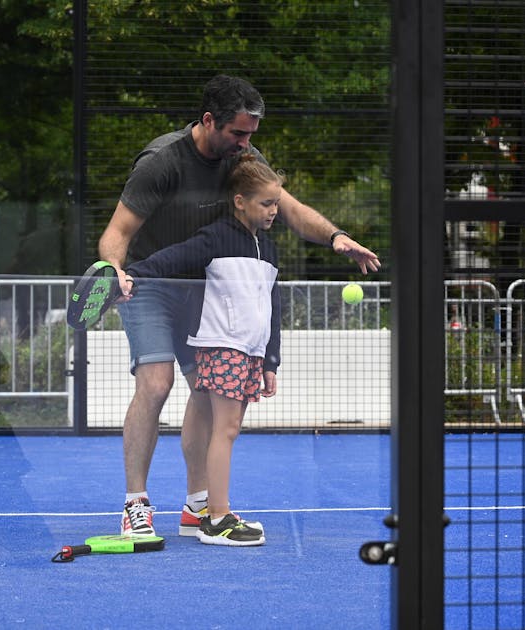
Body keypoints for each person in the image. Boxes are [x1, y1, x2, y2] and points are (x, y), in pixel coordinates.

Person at [98, 74, 381, 537]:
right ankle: (136, 502)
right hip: (148, 284)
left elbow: (287, 206)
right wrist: (115, 269)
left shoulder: (243, 159)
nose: (247, 144)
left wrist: (336, 237)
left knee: (207, 396)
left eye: (251, 134)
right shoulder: (162, 162)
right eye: (238, 133)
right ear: (209, 121)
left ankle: (197, 505)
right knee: (156, 382)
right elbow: (119, 232)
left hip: (204, 291)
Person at [124, 154, 282, 545]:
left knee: (224, 427)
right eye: (266, 203)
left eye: (276, 203)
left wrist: (271, 360)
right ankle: (218, 517)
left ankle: (201, 510)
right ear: (240, 201)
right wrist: (129, 275)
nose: (274, 211)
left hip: (250, 351)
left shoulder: (269, 248)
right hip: (222, 346)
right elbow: (170, 259)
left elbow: (271, 305)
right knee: (225, 431)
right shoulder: (216, 236)